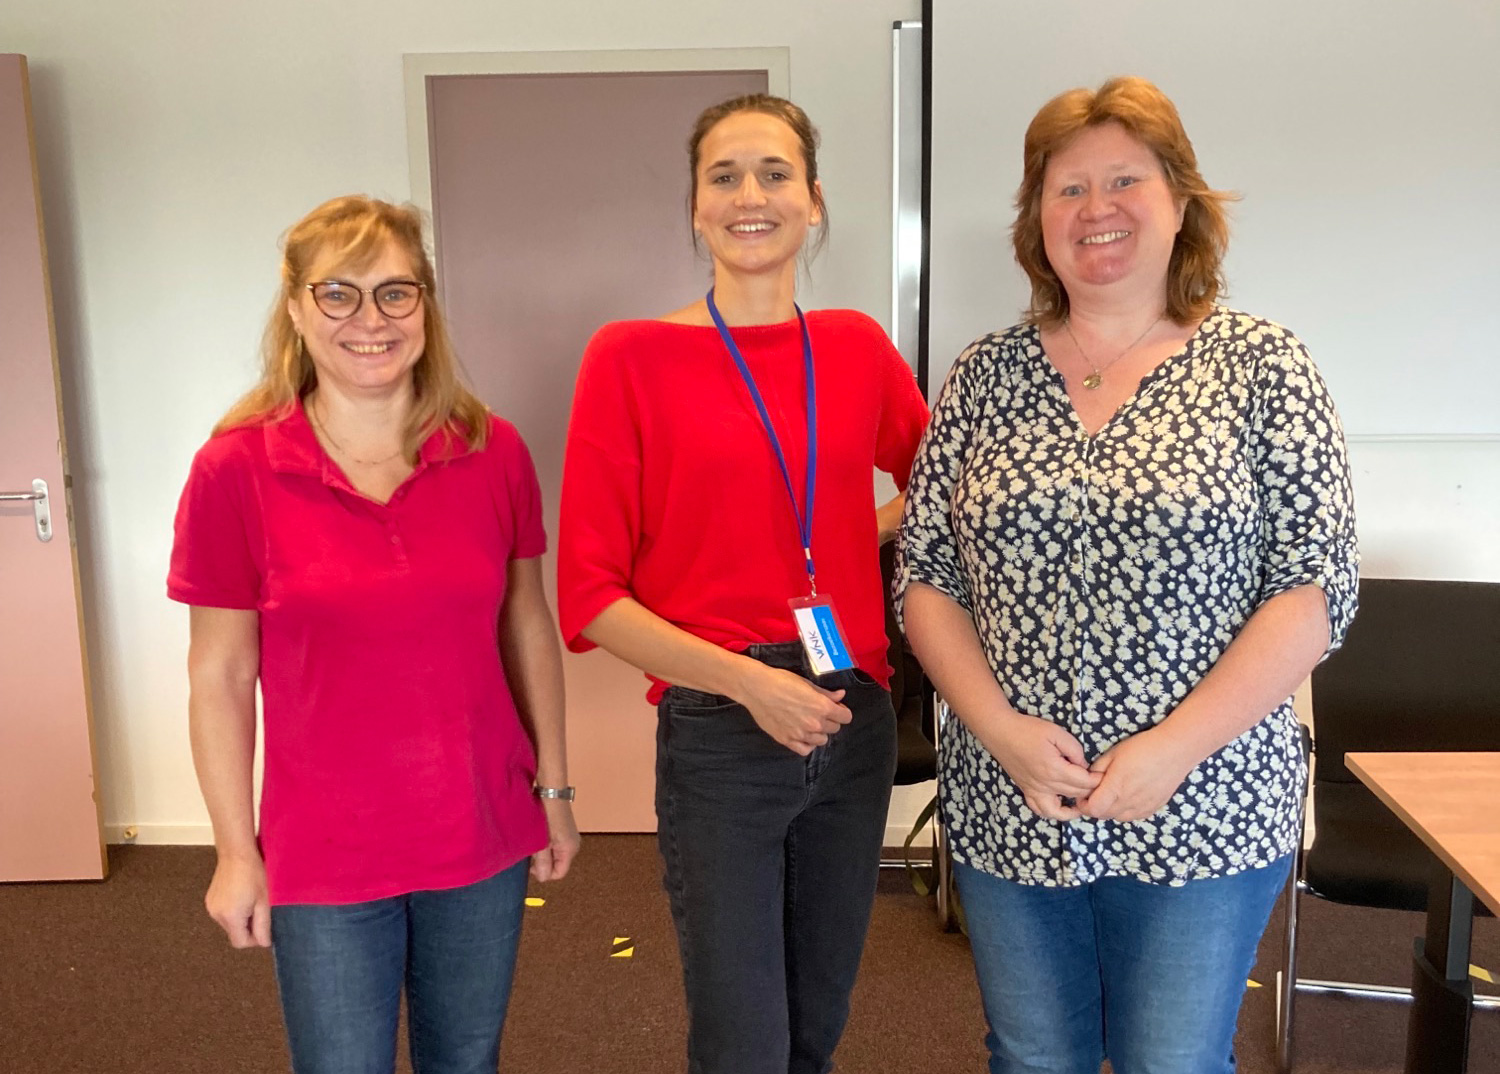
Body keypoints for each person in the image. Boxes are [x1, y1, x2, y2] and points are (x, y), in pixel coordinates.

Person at [895, 76, 1358, 1074]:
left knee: (1171, 1061)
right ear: (1037, 220)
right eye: (1066, 189)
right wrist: (1003, 733)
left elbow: (1314, 590)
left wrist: (1174, 747)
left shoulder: (1261, 365)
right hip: (1011, 789)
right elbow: (927, 578)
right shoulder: (984, 375)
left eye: (1124, 181)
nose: (1094, 209)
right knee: (1032, 1057)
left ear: (1181, 201)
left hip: (1206, 796)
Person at [557, 94, 928, 1074]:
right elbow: (590, 597)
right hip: (725, 726)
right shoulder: (629, 358)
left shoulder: (853, 347)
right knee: (743, 1042)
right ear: (694, 206)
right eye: (724, 175)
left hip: (853, 712)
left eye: (775, 172)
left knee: (815, 1025)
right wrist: (747, 681)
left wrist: (856, 533)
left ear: (814, 200)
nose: (750, 194)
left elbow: (945, 480)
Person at [168, 195, 579, 1074]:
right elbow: (220, 678)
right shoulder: (234, 469)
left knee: (465, 1062)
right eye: (339, 294)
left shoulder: (491, 449)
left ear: (425, 305)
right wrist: (234, 852)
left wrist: (555, 790)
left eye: (396, 293)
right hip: (325, 850)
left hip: (479, 832)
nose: (371, 320)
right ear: (295, 309)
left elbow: (527, 625)